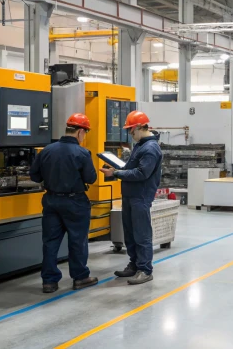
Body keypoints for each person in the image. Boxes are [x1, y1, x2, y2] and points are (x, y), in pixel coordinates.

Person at [30, 113, 98, 294]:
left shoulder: (46, 151)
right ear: (80, 132)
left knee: (50, 242)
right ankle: (80, 277)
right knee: (77, 241)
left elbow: (34, 176)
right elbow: (91, 178)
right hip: (75, 202)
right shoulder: (82, 153)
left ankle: (49, 282)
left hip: (51, 201)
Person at [100, 111, 163, 286]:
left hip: (140, 197)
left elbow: (142, 173)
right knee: (130, 233)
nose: (130, 134)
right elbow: (132, 167)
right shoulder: (140, 145)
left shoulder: (150, 148)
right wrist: (117, 171)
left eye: (130, 130)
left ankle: (145, 269)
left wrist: (117, 173)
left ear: (137, 127)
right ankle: (135, 264)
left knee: (141, 234)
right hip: (130, 195)